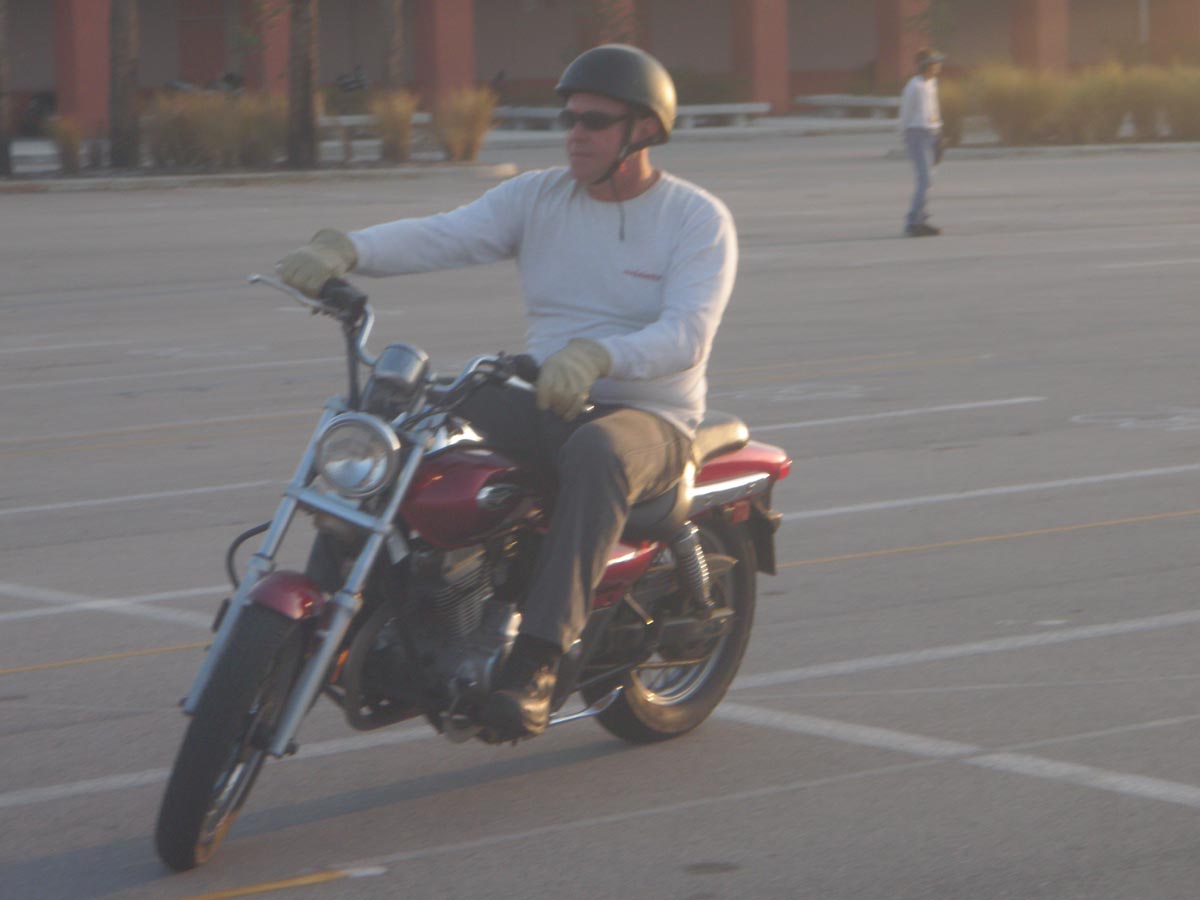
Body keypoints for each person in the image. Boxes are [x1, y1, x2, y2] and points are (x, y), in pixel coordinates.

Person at [277, 44, 738, 740]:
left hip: (649, 415)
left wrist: (599, 355)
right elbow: (446, 235)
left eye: (594, 121)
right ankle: (342, 607)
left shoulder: (695, 218)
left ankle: (537, 663)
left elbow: (688, 334)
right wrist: (348, 249)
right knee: (397, 415)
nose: (575, 133)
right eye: (569, 119)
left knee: (597, 453)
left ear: (643, 130)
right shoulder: (540, 196)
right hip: (543, 395)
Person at [899, 48, 945, 237]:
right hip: (916, 133)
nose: (938, 66)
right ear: (925, 66)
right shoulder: (914, 86)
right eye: (935, 63)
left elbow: (934, 109)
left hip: (932, 133)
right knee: (924, 179)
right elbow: (905, 113)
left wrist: (940, 134)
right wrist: (903, 135)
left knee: (929, 180)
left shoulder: (932, 83)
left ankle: (921, 219)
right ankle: (913, 222)